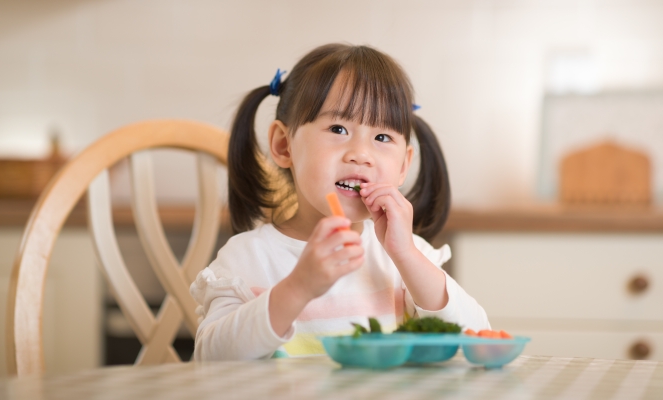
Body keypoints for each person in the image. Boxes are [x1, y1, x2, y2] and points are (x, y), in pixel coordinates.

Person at [190, 43, 490, 361]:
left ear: (404, 165)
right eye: (338, 128)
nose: (360, 153)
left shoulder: (406, 258)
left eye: (382, 137)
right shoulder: (248, 259)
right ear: (283, 145)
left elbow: (475, 339)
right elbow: (210, 361)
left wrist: (407, 256)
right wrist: (297, 288)